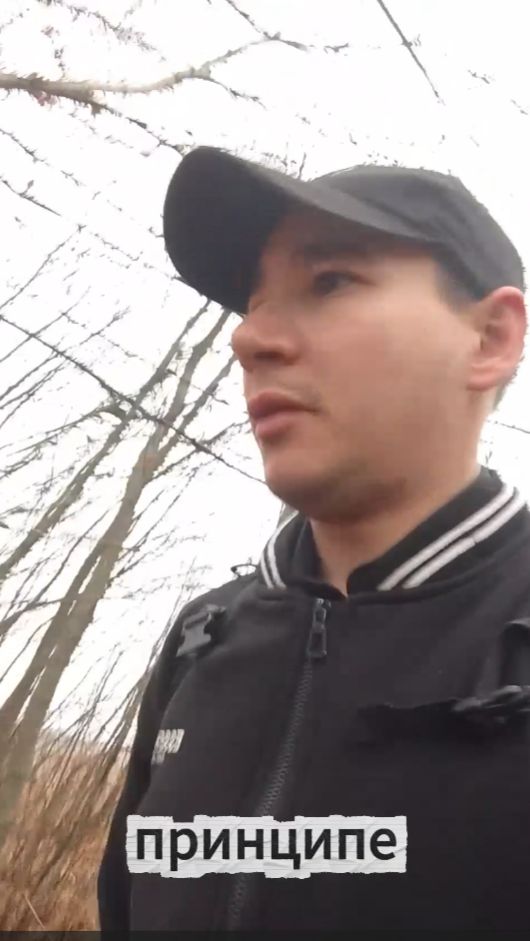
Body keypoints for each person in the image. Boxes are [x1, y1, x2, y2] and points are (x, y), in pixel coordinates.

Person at [98, 146, 530, 931]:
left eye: (329, 281)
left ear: (490, 338)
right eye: (252, 305)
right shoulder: (202, 639)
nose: (248, 340)